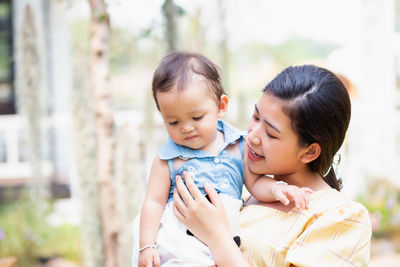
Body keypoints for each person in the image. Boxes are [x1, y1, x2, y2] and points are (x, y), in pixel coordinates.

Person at [173, 64, 372, 267]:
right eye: (256, 117)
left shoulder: (340, 217)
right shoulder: (248, 192)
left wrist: (216, 237)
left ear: (310, 151)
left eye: (271, 133)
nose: (252, 136)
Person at [132, 52, 311, 267]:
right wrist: (146, 245)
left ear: (221, 107)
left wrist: (278, 189)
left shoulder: (237, 145)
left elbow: (255, 183)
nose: (186, 128)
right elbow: (153, 202)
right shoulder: (168, 158)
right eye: (173, 122)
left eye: (197, 118)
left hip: (223, 238)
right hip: (179, 239)